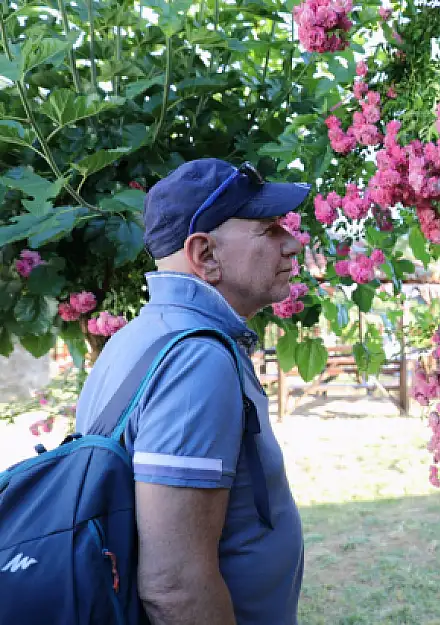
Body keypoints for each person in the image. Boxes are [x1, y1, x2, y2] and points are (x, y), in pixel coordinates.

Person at [75, 158, 310, 625]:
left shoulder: (141, 335)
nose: (292, 243)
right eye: (267, 229)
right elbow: (174, 587)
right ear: (204, 254)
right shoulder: (194, 360)